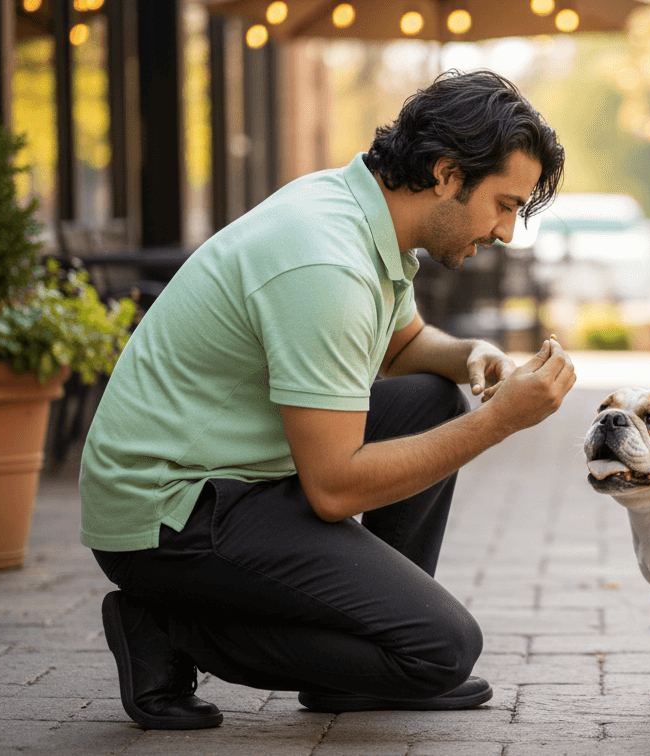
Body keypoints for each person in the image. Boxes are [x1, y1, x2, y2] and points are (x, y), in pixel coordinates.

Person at [79, 70, 573, 730]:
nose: (509, 232)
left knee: (431, 396)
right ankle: (166, 627)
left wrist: (468, 358)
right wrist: (502, 420)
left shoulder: (361, 212)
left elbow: (401, 348)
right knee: (442, 650)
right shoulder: (326, 263)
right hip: (168, 512)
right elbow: (335, 490)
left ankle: (364, 656)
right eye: (505, 204)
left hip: (235, 475)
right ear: (448, 174)